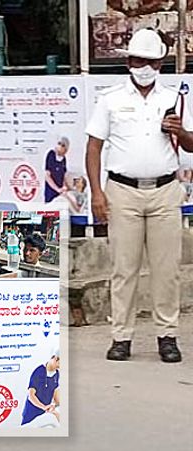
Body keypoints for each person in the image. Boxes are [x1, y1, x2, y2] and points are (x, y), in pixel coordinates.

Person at [85, 28, 191, 363]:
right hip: (123, 191)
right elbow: (94, 147)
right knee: (123, 268)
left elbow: (191, 144)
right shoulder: (111, 99)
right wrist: (97, 192)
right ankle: (121, 337)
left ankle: (167, 336)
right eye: (137, 60)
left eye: (150, 61)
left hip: (164, 190)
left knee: (166, 269)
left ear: (160, 63)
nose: (143, 66)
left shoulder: (175, 98)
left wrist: (181, 132)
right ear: (129, 61)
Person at [21, 349, 60, 428]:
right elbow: (31, 395)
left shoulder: (57, 374)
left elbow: (56, 395)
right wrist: (44, 407)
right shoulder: (39, 372)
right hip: (31, 413)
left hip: (44, 413)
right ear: (55, 358)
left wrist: (54, 405)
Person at [44, 137, 71, 203]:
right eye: (59, 144)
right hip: (51, 191)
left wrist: (64, 187)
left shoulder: (63, 159)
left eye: (63, 145)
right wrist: (57, 189)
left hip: (60, 193)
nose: (60, 147)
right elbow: (47, 176)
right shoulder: (51, 155)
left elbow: (63, 176)